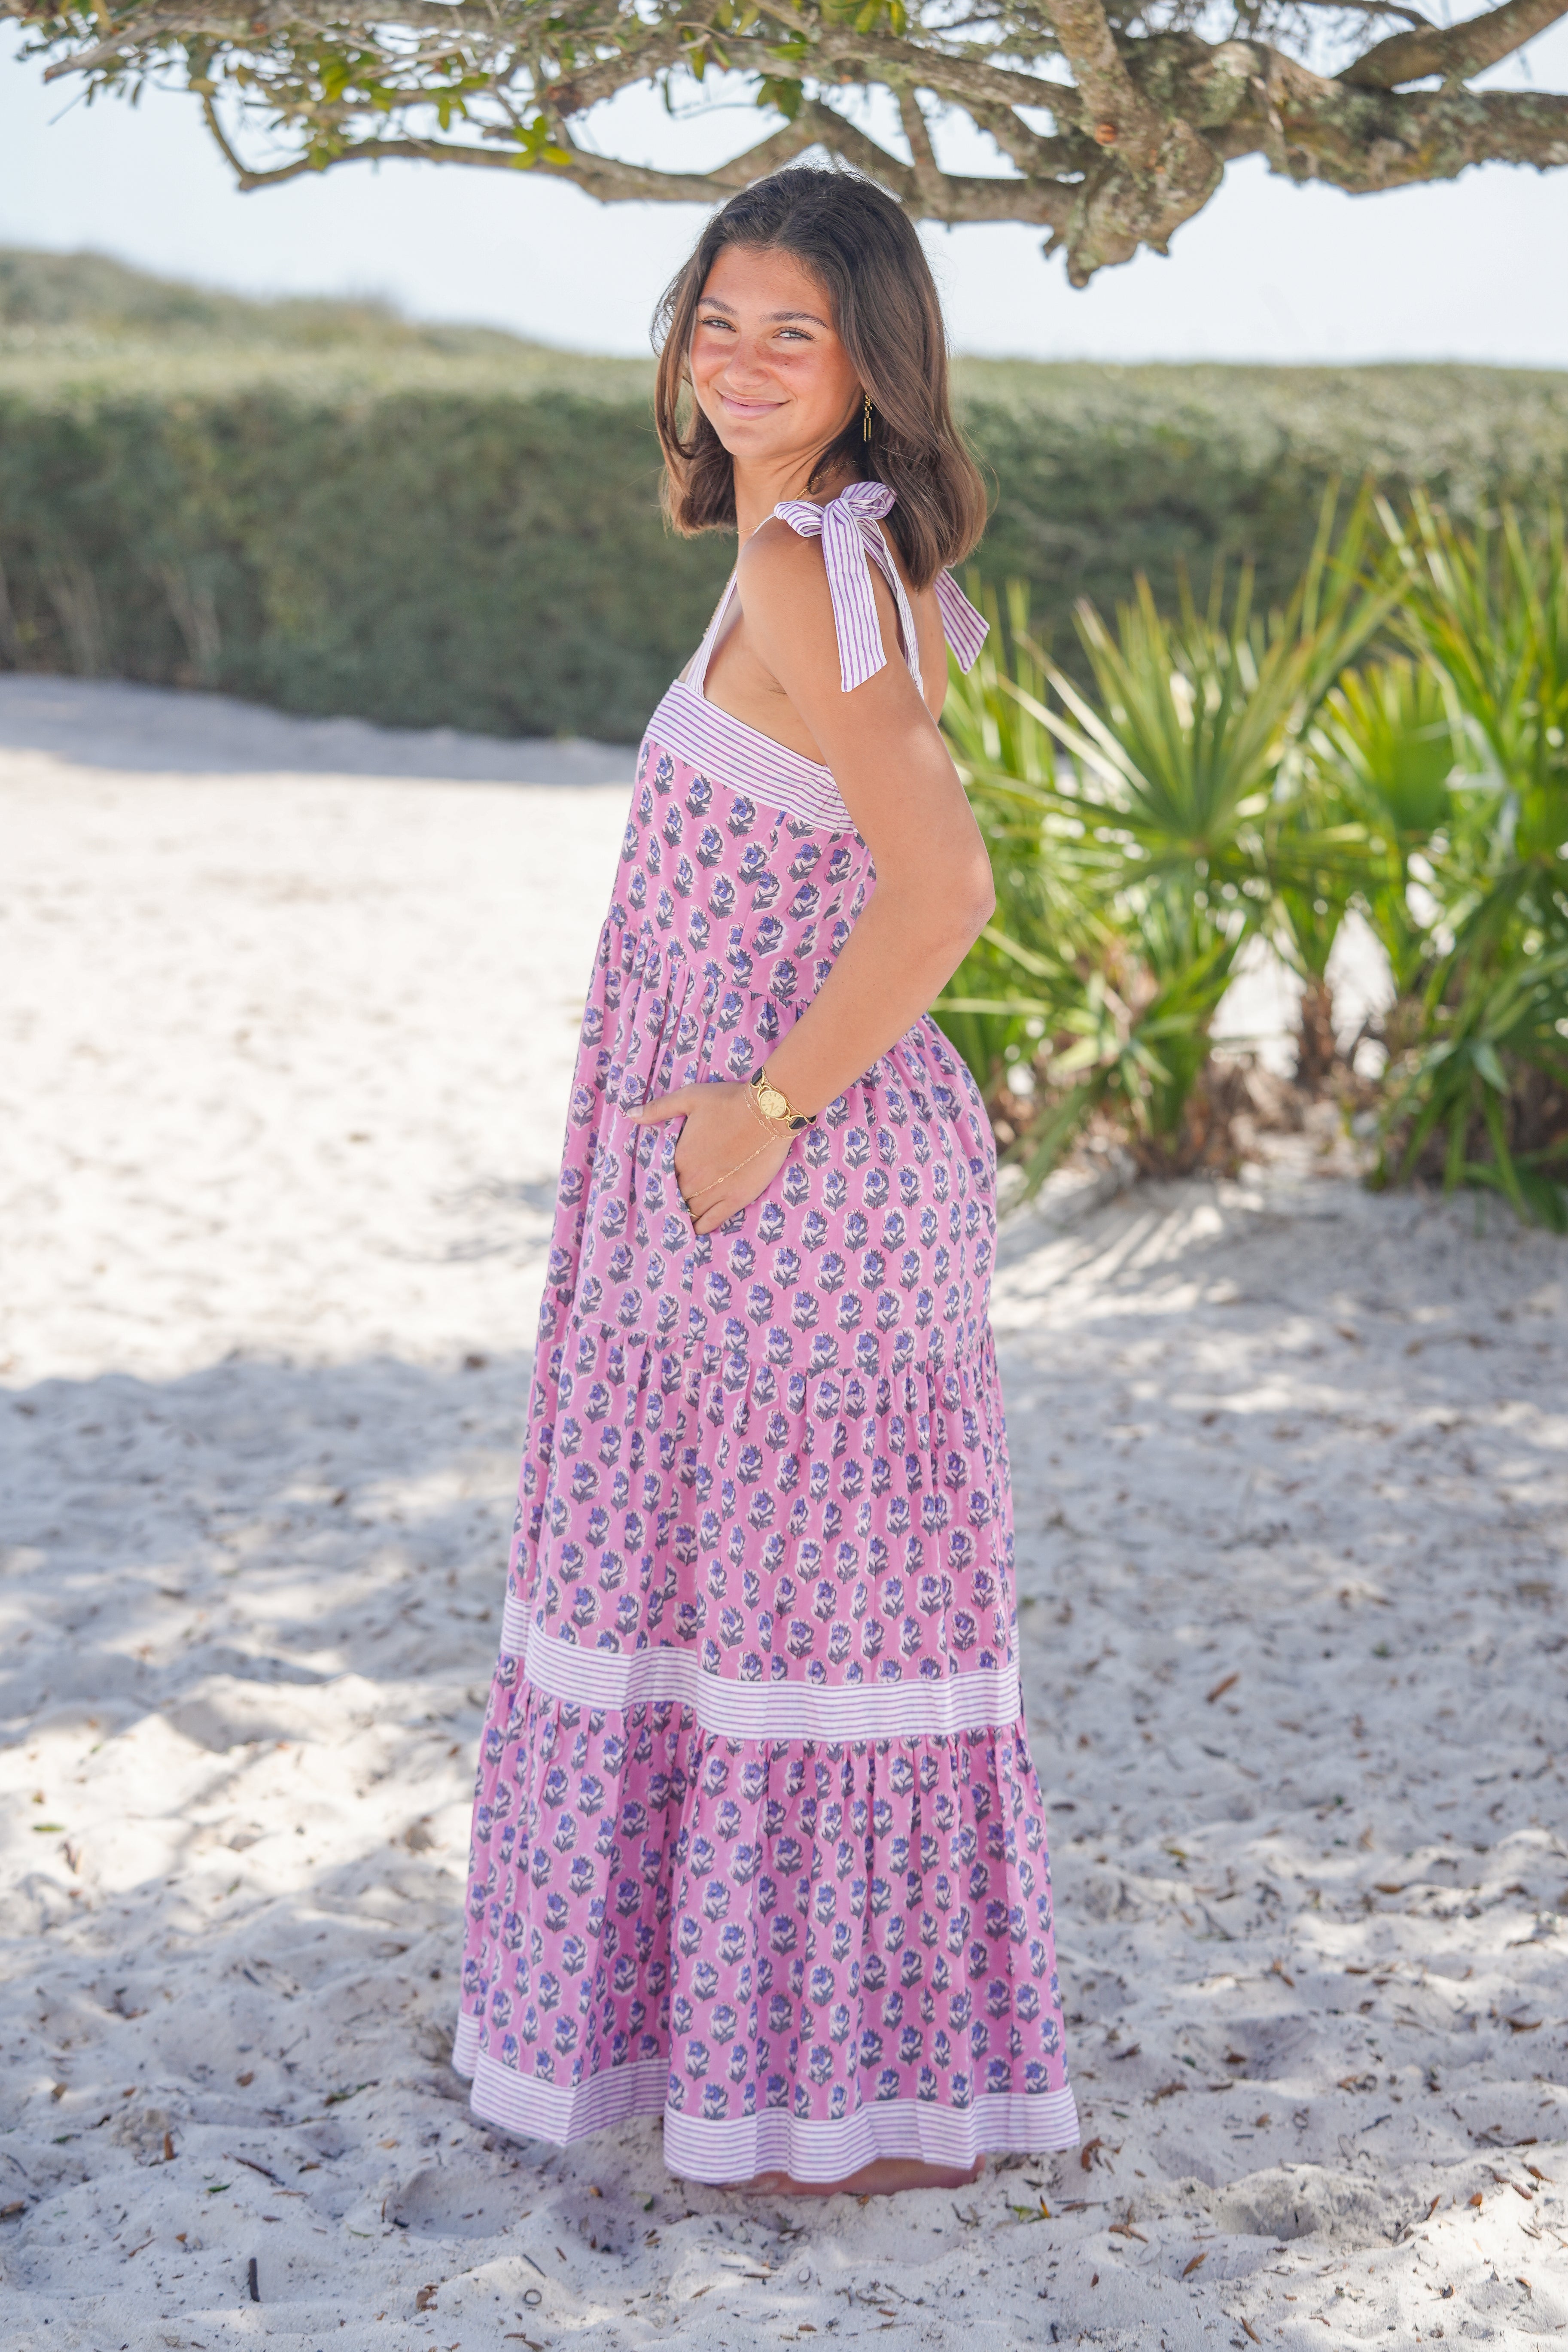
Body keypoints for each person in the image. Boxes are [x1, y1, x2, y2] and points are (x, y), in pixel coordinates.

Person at [454, 165, 1078, 2196]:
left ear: (867, 358)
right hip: (768, 1174)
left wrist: (765, 1110)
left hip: (795, 1180)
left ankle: (836, 2112)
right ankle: (795, 2079)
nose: (735, 362)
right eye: (715, 321)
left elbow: (947, 885)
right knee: (771, 1643)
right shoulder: (817, 549)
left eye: (785, 331)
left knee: (797, 1652)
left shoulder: (821, 567)